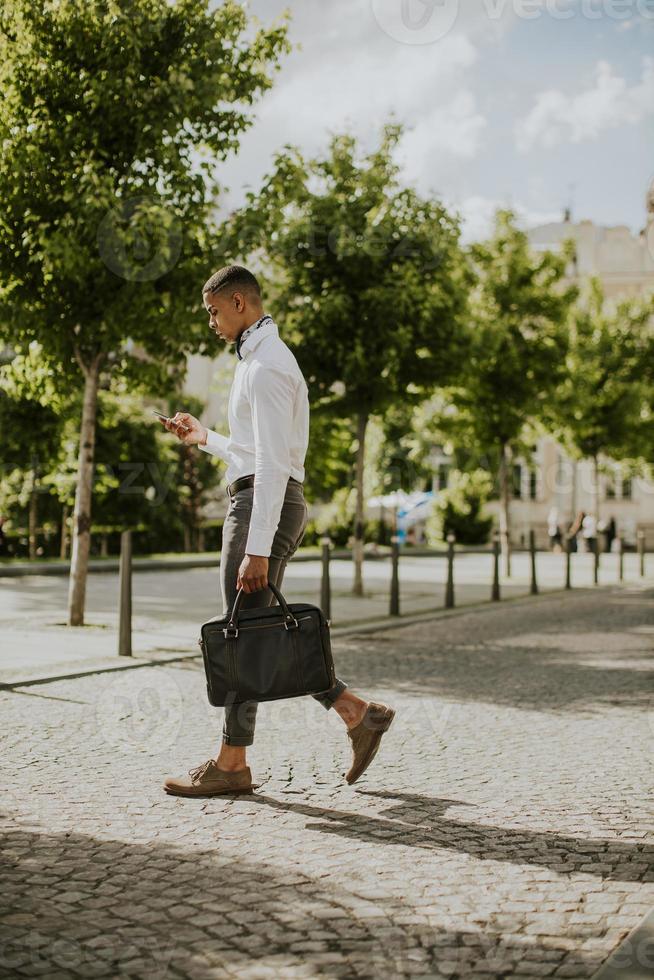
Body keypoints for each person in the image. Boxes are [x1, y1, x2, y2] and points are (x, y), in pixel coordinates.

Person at [162, 266, 395, 797]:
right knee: (254, 629)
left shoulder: (266, 366)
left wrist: (257, 548)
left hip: (262, 506)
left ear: (240, 303)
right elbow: (254, 452)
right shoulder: (258, 361)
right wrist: (205, 438)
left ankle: (233, 763)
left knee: (239, 634)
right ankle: (355, 713)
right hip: (261, 498)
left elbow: (271, 466)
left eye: (215, 311)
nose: (213, 322)